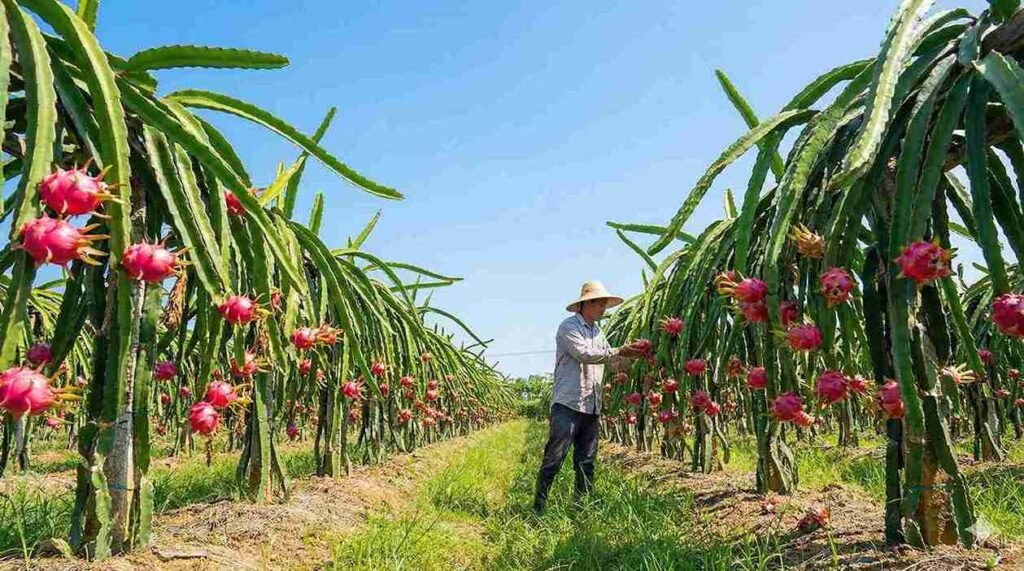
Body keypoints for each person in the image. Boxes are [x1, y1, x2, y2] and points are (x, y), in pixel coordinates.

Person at [532, 280, 645, 514]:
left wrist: (636, 357)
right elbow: (583, 354)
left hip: (592, 406)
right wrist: (619, 350)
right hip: (568, 403)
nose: (604, 309)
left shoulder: (599, 333)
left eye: (605, 304)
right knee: (554, 458)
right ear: (586, 304)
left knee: (586, 462)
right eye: (600, 304)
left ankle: (581, 509)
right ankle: (539, 508)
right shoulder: (568, 327)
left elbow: (611, 363)